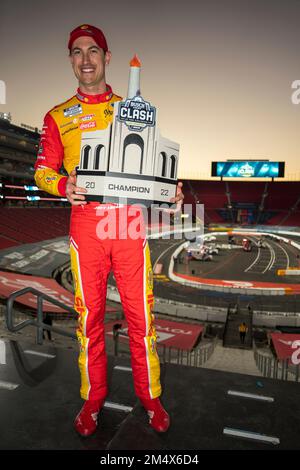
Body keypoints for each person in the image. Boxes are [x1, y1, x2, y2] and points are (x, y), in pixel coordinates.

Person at [34, 24, 184, 437]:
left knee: (142, 317)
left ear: (106, 57)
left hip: (130, 223)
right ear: (70, 60)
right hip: (87, 227)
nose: (86, 59)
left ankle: (150, 397)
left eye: (93, 51)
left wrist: (171, 192)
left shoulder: (134, 108)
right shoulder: (56, 116)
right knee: (90, 319)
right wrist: (64, 185)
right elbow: (42, 171)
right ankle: (93, 399)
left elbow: (156, 169)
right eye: (77, 52)